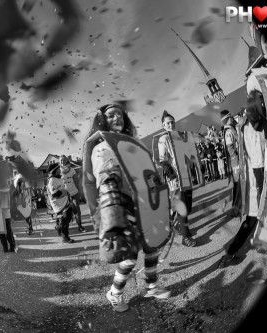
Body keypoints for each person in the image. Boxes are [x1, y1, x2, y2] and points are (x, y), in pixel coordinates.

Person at [83, 103, 170, 313]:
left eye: (120, 115)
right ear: (102, 120)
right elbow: (105, 174)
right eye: (111, 115)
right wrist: (112, 202)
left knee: (152, 245)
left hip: (143, 202)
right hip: (120, 205)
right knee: (128, 257)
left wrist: (161, 191)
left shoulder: (133, 144)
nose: (117, 118)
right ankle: (115, 292)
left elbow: (146, 171)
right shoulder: (102, 146)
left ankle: (150, 285)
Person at [218, 92, 267, 268]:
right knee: (254, 216)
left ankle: (230, 253)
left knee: (253, 217)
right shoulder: (240, 127)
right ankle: (230, 253)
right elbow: (233, 149)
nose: (232, 119)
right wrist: (237, 165)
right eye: (229, 117)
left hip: (251, 171)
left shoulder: (242, 125)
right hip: (252, 171)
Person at [157, 110, 197, 247]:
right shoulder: (163, 139)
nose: (171, 124)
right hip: (175, 178)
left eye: (172, 122)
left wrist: (194, 165)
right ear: (163, 125)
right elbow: (162, 160)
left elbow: (187, 155)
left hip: (186, 175)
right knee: (182, 206)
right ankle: (186, 237)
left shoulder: (179, 136)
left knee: (188, 205)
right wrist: (170, 172)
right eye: (168, 123)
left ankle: (177, 225)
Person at [46, 163, 75, 244]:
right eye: (58, 169)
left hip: (65, 201)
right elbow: (55, 194)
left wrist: (67, 193)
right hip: (58, 204)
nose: (60, 170)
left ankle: (58, 227)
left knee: (69, 217)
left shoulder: (59, 178)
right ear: (54, 171)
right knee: (64, 220)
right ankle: (65, 238)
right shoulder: (51, 181)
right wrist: (64, 192)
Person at [221, 109, 241, 217]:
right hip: (236, 160)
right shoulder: (228, 131)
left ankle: (233, 204)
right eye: (230, 117)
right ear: (227, 119)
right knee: (238, 184)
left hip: (236, 159)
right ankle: (235, 209)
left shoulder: (230, 128)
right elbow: (230, 148)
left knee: (239, 184)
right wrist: (236, 158)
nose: (232, 118)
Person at [59, 155, 86, 233]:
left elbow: (76, 181)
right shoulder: (58, 171)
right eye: (61, 161)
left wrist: (79, 191)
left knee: (76, 209)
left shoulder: (72, 170)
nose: (62, 162)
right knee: (64, 211)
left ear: (66, 161)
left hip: (74, 193)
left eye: (63, 160)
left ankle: (80, 226)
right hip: (64, 195)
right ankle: (64, 228)